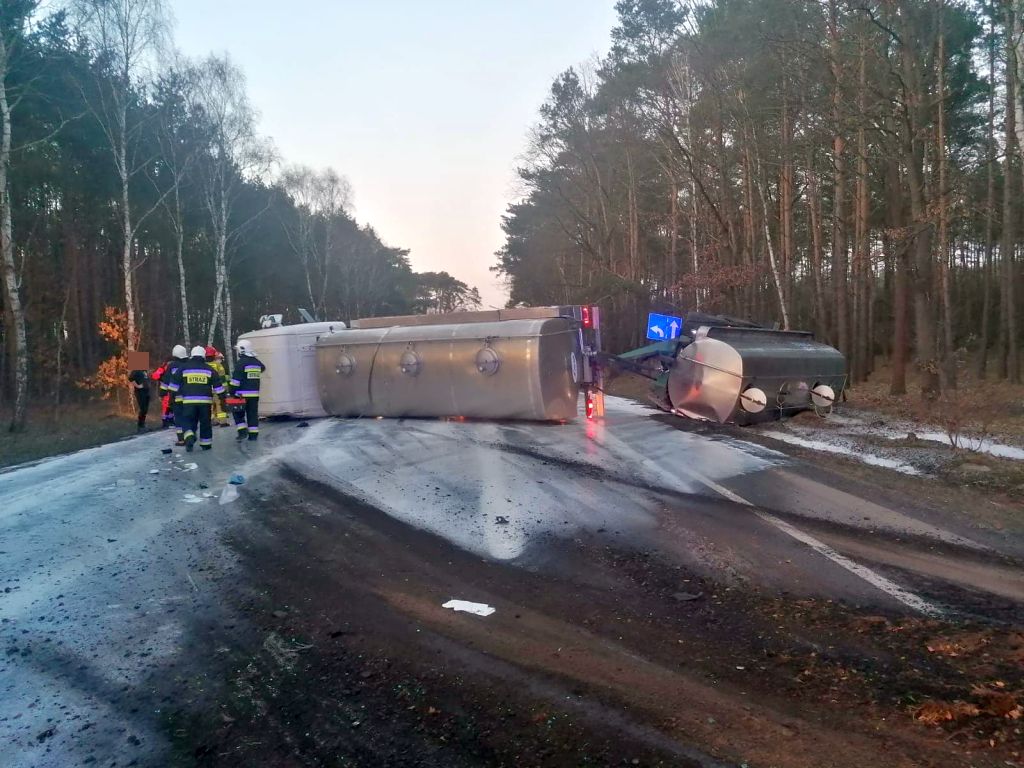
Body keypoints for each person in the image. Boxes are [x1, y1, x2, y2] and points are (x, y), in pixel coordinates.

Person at [167, 345, 226, 453]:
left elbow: (173, 386)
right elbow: (219, 387)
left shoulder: (184, 368)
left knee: (187, 420)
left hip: (188, 402)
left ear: (192, 355)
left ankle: (189, 436)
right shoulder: (209, 369)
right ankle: (206, 444)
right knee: (205, 423)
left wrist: (171, 399)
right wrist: (223, 401)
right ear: (203, 356)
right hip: (205, 403)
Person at [230, 339, 266, 441]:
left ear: (241, 350)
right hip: (254, 394)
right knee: (252, 414)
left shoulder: (240, 363)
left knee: (237, 413)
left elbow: (235, 381)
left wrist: (231, 392)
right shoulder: (256, 362)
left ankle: (242, 431)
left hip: (240, 395)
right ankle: (253, 435)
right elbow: (263, 368)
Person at [159, 345, 188, 442]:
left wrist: (162, 393)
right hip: (189, 397)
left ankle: (181, 439)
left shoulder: (171, 366)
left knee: (179, 418)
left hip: (176, 397)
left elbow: (165, 381)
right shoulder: (189, 364)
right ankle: (189, 436)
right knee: (188, 418)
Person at [205, 346, 231, 427]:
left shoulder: (203, 365)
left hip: (206, 390)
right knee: (220, 405)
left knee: (210, 406)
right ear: (214, 355)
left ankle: (213, 420)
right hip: (218, 389)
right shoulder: (218, 365)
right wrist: (226, 390)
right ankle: (223, 422)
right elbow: (223, 379)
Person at [127, 367, 151, 432]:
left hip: (147, 391)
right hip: (140, 392)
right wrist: (137, 386)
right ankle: (140, 426)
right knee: (143, 409)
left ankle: (143, 424)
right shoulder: (136, 370)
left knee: (145, 409)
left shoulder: (144, 370)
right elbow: (130, 378)